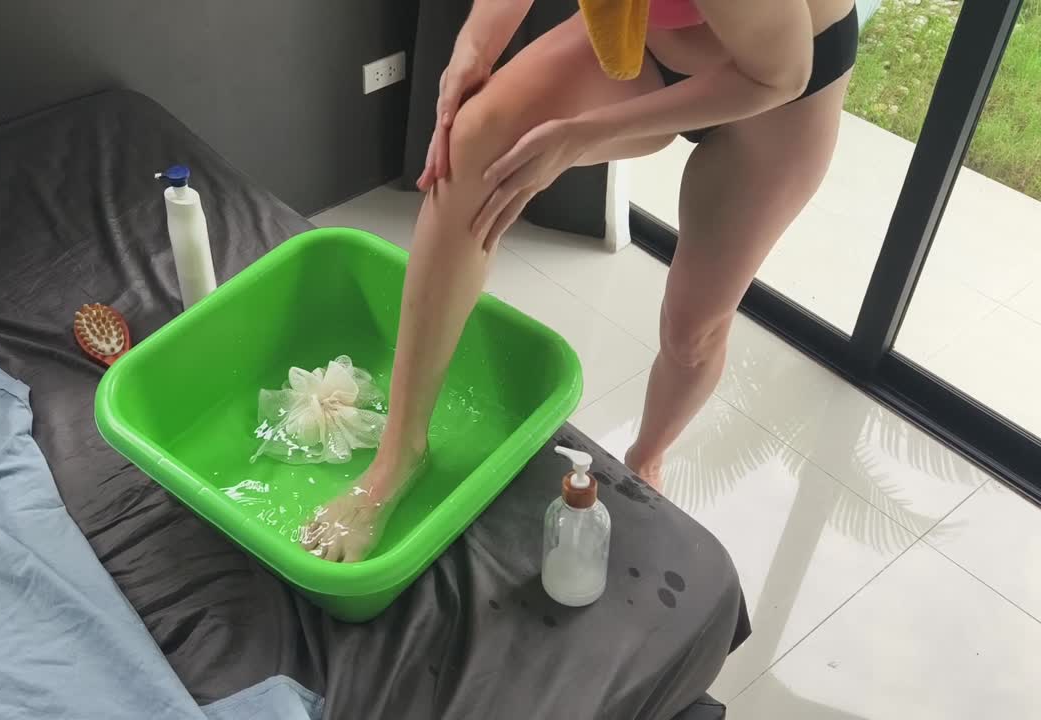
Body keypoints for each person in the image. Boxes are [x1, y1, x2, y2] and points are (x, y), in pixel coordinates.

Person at [302, 0, 859, 562]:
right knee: (473, 142)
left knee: (693, 331)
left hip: (783, 85)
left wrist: (580, 135)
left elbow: (780, 74)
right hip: (644, 40)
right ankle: (398, 456)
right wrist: (474, 47)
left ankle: (646, 462)